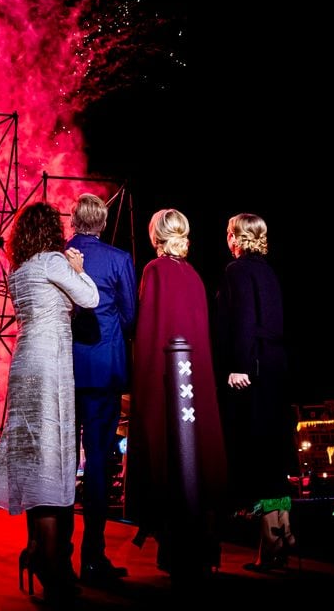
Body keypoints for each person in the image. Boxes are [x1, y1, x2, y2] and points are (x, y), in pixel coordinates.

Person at [0, 201, 100, 605]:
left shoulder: (18, 271)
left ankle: (35, 549)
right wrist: (80, 269)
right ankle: (50, 562)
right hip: (51, 363)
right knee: (52, 457)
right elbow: (89, 298)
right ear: (52, 231)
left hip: (24, 362)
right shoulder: (53, 261)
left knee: (35, 458)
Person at [124, 208, 228, 579]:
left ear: (156, 236)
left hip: (166, 381)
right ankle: (203, 548)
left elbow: (149, 331)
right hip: (197, 384)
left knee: (168, 460)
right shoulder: (195, 276)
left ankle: (174, 551)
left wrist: (144, 383)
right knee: (196, 460)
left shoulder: (154, 272)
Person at [67, 192, 137, 585]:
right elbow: (130, 318)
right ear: (104, 222)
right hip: (105, 369)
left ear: (74, 221)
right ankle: (92, 558)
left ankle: (57, 553)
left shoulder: (58, 256)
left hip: (66, 370)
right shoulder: (119, 260)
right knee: (97, 462)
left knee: (62, 462)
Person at [216, 212, 292, 572]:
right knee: (274, 456)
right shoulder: (268, 270)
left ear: (236, 237)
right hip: (276, 368)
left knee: (257, 457)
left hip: (254, 368)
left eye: (229, 233)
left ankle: (272, 538)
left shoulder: (237, 271)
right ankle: (281, 531)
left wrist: (239, 365)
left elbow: (244, 319)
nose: (227, 239)